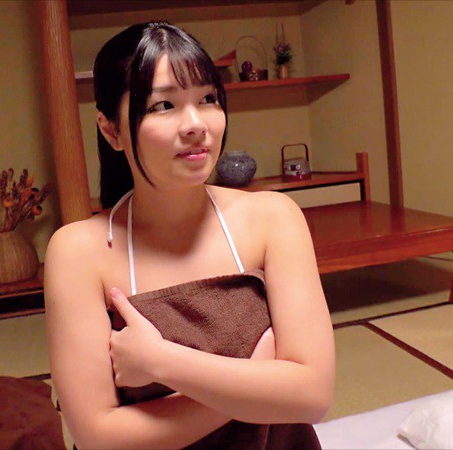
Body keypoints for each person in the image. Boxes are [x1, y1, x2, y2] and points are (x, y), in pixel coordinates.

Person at [44, 21, 335, 449]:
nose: (196, 124)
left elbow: (312, 396)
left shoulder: (274, 218)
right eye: (164, 105)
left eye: (208, 99)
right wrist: (258, 384)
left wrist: (162, 362)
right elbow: (99, 437)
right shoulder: (78, 252)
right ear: (111, 131)